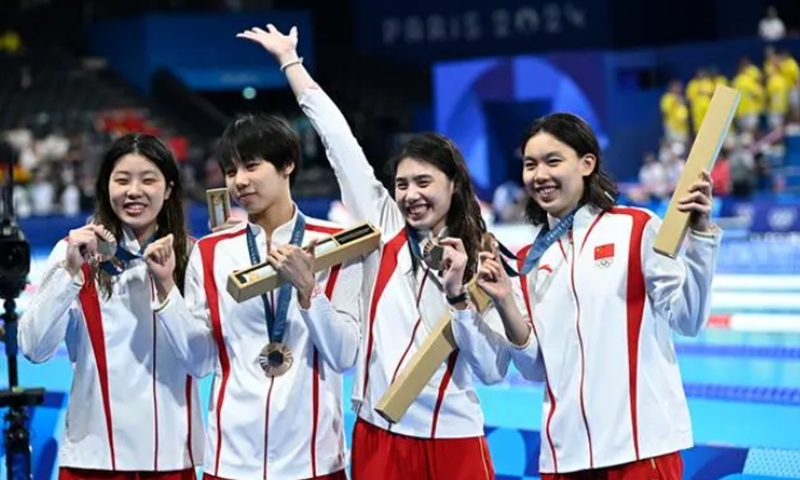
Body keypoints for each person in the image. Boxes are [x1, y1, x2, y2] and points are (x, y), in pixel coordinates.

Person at [235, 23, 505, 480]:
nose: (411, 195)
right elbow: (338, 141)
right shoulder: (384, 224)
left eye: (424, 183)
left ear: (454, 186)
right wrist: (290, 62)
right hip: (378, 433)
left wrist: (459, 298)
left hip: (454, 438)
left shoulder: (485, 258)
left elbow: (492, 370)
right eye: (402, 184)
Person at [463, 113, 721, 479]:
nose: (540, 175)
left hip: (640, 449)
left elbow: (689, 319)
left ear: (587, 163)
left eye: (553, 161)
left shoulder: (635, 228)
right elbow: (535, 368)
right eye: (530, 164)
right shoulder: (529, 261)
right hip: (564, 456)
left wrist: (701, 239)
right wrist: (505, 301)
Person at [151, 110, 363, 480]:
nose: (240, 181)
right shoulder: (212, 252)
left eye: (251, 166)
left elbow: (344, 355)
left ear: (287, 164)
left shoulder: (335, 244)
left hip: (314, 461)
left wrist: (309, 291)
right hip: (231, 462)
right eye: (231, 172)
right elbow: (200, 362)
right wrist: (167, 290)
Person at [18, 133, 203, 480]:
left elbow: (203, 361)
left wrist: (166, 287)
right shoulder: (71, 252)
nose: (134, 191)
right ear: (105, 188)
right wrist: (70, 273)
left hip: (169, 458)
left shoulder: (192, 257)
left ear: (168, 189)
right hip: (93, 459)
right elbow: (33, 348)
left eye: (148, 179)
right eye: (122, 180)